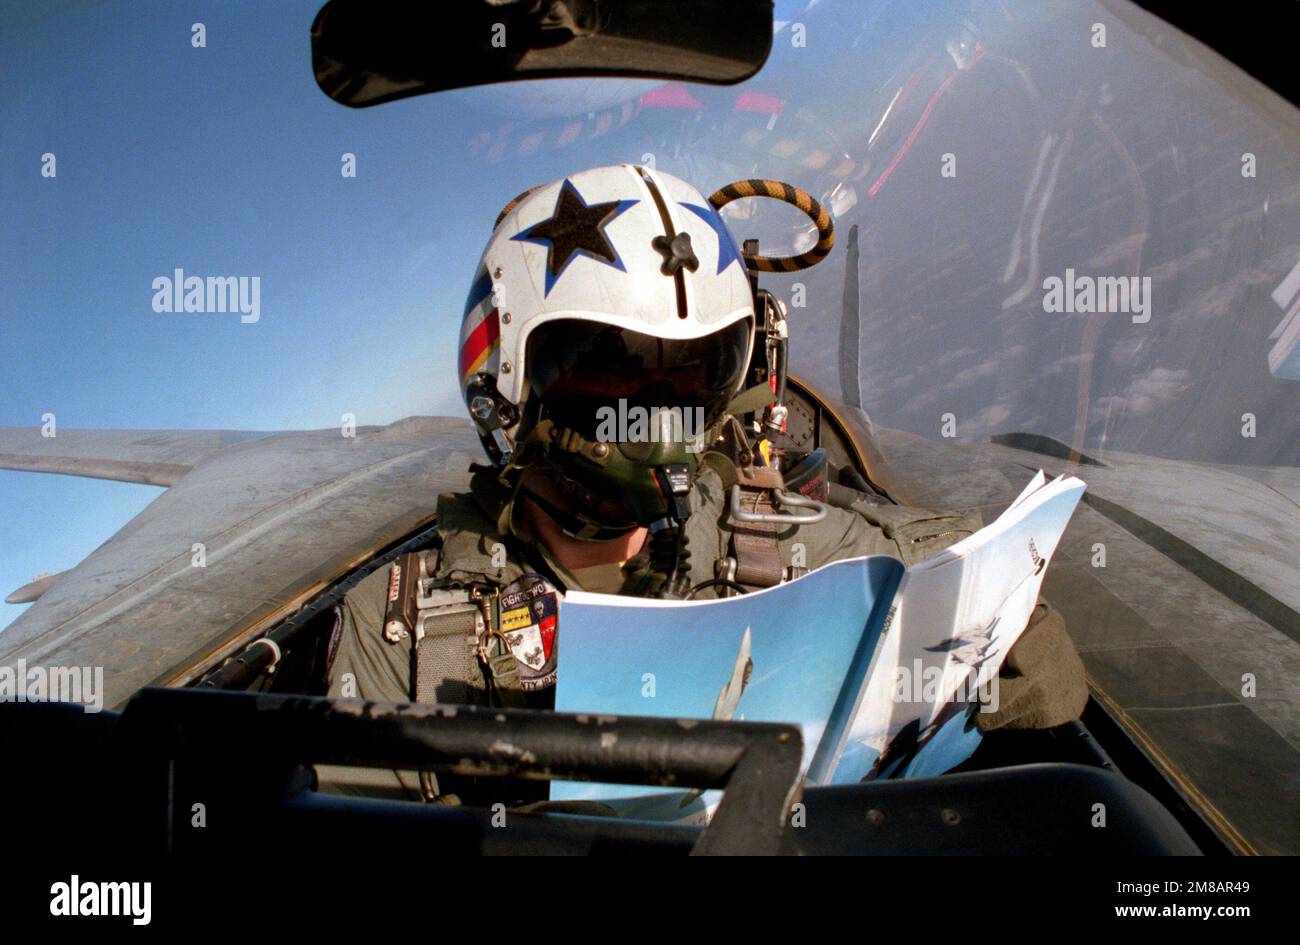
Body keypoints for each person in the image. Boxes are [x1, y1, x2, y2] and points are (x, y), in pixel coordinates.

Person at [321, 165, 1087, 803]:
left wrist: (1007, 620)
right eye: (610, 374)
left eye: (686, 379)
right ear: (508, 385)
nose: (651, 424)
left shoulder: (784, 540)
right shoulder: (408, 632)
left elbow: (947, 562)